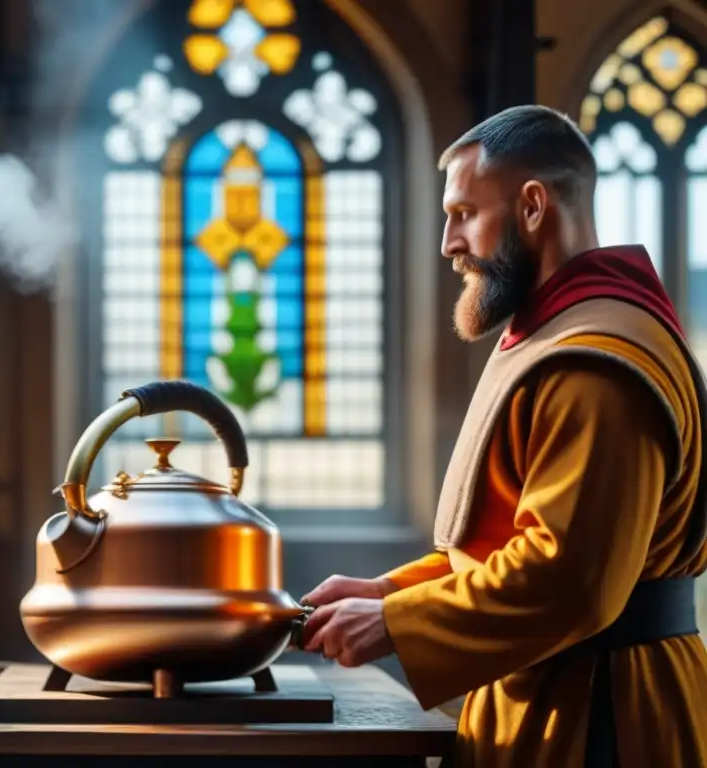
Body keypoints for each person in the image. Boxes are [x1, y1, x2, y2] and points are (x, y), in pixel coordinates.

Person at [299, 105, 707, 768]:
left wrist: (397, 625)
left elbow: (571, 580)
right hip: (546, 693)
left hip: (604, 715)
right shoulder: (555, 332)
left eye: (463, 213)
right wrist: (392, 594)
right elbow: (505, 545)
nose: (448, 243)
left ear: (533, 205)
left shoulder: (596, 361)